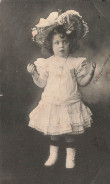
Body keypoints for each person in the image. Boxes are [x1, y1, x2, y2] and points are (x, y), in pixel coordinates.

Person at [27, 10, 96, 169]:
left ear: (70, 43)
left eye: (64, 42)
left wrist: (90, 74)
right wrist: (33, 74)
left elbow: (82, 82)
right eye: (57, 43)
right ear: (51, 45)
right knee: (54, 132)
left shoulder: (76, 63)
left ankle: (70, 158)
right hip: (53, 103)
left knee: (70, 133)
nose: (61, 46)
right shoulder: (47, 63)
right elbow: (41, 83)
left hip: (70, 102)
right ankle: (53, 155)